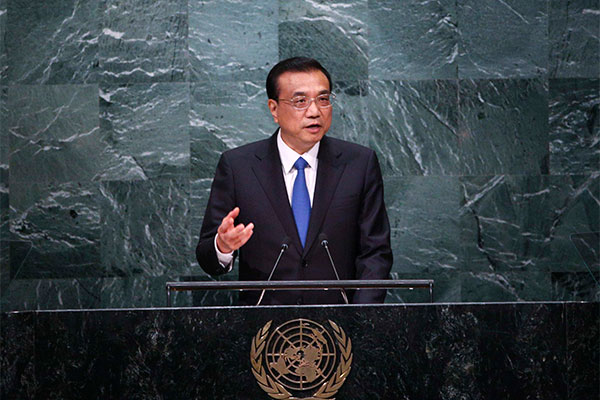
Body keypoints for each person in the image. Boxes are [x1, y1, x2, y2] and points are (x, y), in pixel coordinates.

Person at [196, 57, 392, 305]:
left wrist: (363, 319)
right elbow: (207, 258)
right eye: (300, 101)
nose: (315, 111)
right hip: (265, 332)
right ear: (274, 109)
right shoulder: (238, 167)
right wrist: (222, 247)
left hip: (340, 330)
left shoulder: (359, 164)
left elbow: (376, 253)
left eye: (323, 99)